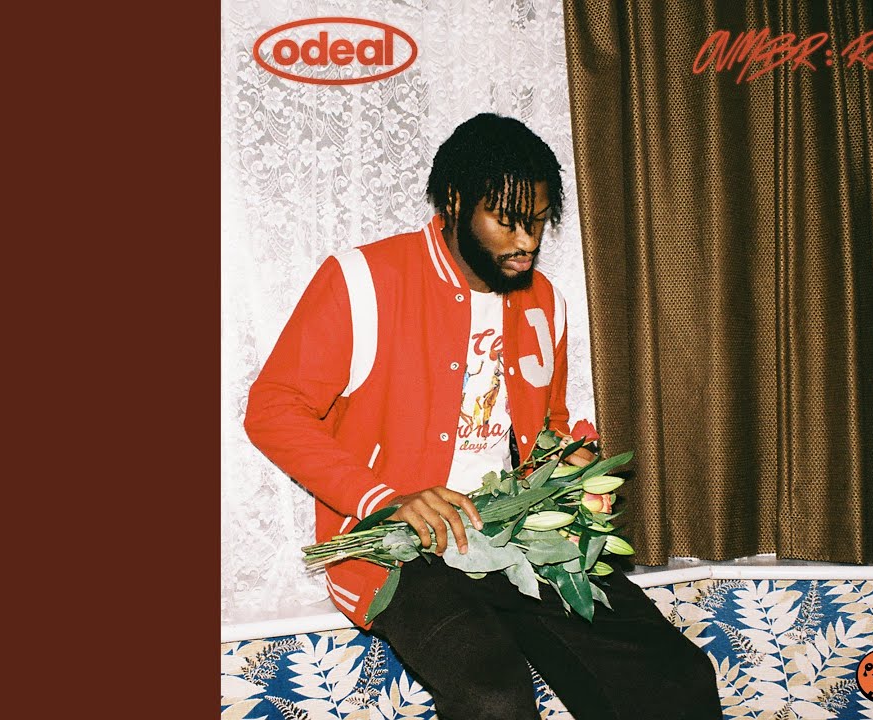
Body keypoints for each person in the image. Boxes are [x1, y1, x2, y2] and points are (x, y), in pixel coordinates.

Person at [245, 113, 721, 720]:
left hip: (518, 531)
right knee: (494, 698)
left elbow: (546, 421)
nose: (527, 241)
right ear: (454, 202)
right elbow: (274, 409)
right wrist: (383, 499)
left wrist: (568, 464)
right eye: (507, 220)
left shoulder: (544, 300)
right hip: (400, 548)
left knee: (673, 677)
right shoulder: (363, 279)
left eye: (538, 221)